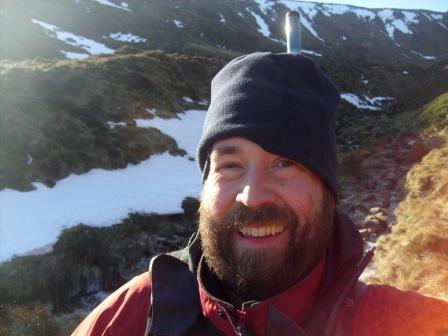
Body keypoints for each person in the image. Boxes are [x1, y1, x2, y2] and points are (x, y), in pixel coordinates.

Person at [72, 52, 448, 336]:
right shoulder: (132, 315)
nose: (252, 197)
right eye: (230, 166)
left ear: (328, 189)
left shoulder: (406, 324)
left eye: (286, 163)